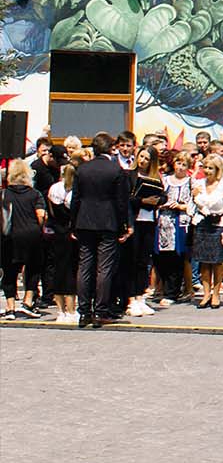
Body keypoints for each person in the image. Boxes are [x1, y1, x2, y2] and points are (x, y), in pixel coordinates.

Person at [71, 132, 132, 328]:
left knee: (85, 266)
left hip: (85, 221)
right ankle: (100, 311)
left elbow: (76, 200)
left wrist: (73, 224)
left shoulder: (82, 169)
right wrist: (124, 225)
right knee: (104, 267)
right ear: (111, 148)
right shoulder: (116, 170)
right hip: (108, 221)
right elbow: (121, 202)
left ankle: (83, 312)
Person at [2, 159, 48, 319]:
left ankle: (9, 308)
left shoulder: (4, 194)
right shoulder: (35, 194)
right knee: (34, 268)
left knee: (9, 271)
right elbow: (41, 216)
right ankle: (28, 302)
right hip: (32, 235)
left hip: (9, 236)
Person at [190, 156, 223, 309]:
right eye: (205, 168)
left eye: (211, 168)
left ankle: (216, 293)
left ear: (217, 170)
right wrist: (194, 195)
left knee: (217, 261)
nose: (207, 171)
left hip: (218, 224)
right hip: (202, 224)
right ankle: (206, 293)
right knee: (204, 260)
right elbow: (191, 209)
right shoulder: (199, 184)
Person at [125, 147, 164, 317]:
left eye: (147, 158)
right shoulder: (129, 175)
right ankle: (130, 299)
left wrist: (157, 200)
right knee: (131, 261)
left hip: (149, 221)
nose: (142, 161)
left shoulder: (155, 177)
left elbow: (164, 195)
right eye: (141, 156)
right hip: (135, 221)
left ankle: (141, 297)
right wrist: (142, 200)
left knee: (144, 260)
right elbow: (126, 199)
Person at [154, 152, 193, 306]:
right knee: (161, 258)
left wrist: (180, 206)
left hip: (180, 223)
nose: (180, 167)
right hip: (163, 222)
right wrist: (162, 204)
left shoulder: (191, 182)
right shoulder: (165, 181)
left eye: (184, 165)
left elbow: (193, 204)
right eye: (178, 163)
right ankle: (163, 288)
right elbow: (157, 198)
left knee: (178, 258)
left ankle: (173, 292)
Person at [46, 158, 80, 325]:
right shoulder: (76, 191)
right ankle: (72, 310)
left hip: (57, 234)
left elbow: (52, 213)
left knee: (58, 271)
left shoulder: (54, 189)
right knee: (72, 272)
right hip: (71, 234)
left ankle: (60, 311)